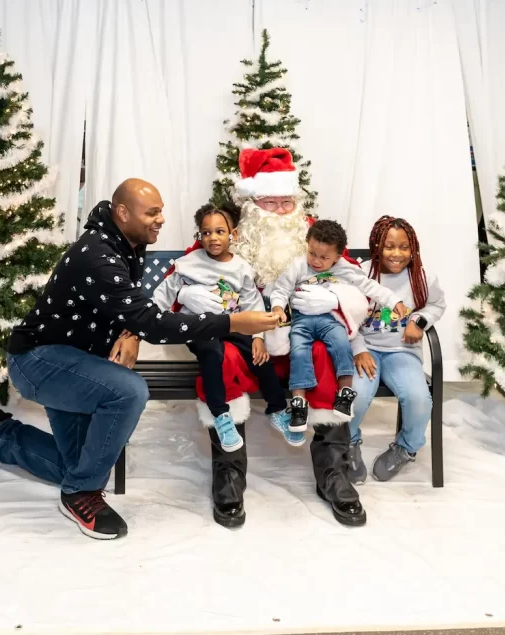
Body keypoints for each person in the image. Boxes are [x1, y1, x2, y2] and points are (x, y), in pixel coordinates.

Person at [0, 179, 279, 540]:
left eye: (161, 211)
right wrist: (233, 321)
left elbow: (129, 308)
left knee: (76, 465)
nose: (160, 220)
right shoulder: (97, 254)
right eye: (152, 212)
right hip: (40, 361)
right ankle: (81, 495)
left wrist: (130, 334)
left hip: (78, 362)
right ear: (122, 213)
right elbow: (149, 319)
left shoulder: (127, 242)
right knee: (128, 391)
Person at [168, 147, 368, 528]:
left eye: (285, 201)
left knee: (326, 356)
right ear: (250, 203)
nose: (279, 210)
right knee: (222, 358)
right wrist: (185, 297)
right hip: (245, 344)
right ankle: (228, 473)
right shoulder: (225, 241)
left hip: (302, 341)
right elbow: (175, 283)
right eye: (269, 200)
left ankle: (333, 472)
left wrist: (338, 296)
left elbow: (360, 284)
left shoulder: (312, 235)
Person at [153, 203, 299, 458]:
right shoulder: (188, 263)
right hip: (198, 327)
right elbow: (163, 294)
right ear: (199, 236)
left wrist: (257, 338)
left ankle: (277, 410)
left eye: (220, 231)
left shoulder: (241, 268)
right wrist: (152, 317)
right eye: (206, 233)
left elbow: (252, 303)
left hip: (232, 324)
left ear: (234, 235)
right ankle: (220, 415)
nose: (213, 238)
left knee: (259, 358)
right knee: (212, 354)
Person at [270, 219, 407, 431]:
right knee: (298, 352)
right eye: (312, 253)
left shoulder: (346, 268)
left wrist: (393, 300)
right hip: (302, 320)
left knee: (342, 345)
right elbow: (281, 289)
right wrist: (278, 307)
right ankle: (299, 403)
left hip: (331, 319)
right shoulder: (298, 266)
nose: (316, 261)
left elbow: (369, 287)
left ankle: (344, 394)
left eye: (324, 257)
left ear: (338, 255)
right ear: (307, 244)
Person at [348, 216, 446, 483]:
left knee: (418, 398)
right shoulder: (360, 273)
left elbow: (436, 305)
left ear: (413, 248)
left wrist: (419, 321)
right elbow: (344, 316)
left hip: (402, 352)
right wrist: (358, 348)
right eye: (389, 246)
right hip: (364, 350)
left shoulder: (422, 277)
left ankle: (405, 448)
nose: (397, 254)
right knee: (353, 396)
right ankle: (349, 443)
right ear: (376, 246)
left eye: (404, 247)